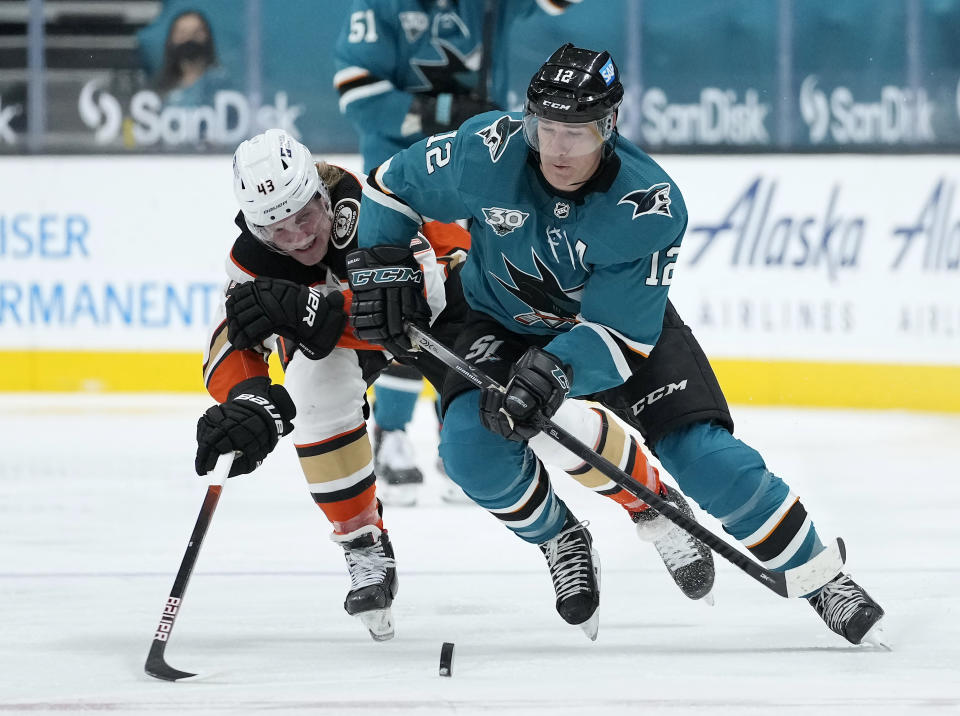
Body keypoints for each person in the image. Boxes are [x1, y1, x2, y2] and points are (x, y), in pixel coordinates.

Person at [346, 44, 886, 645]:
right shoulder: (486, 149)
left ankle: (821, 576)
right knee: (472, 452)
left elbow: (619, 338)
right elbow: (389, 187)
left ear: (609, 125)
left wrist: (553, 371)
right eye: (546, 127)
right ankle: (560, 538)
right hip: (496, 320)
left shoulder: (646, 204)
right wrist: (379, 262)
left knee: (705, 460)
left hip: (615, 332)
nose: (556, 148)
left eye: (576, 132)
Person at [193, 128, 468, 641]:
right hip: (356, 336)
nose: (297, 238)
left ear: (322, 194)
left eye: (305, 217)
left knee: (527, 410)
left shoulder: (372, 210)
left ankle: (635, 506)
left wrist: (312, 310)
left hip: (455, 312)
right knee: (312, 396)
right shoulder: (251, 258)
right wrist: (248, 397)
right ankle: (363, 544)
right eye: (277, 230)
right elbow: (226, 342)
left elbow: (421, 308)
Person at [334, 0, 584, 505]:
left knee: (482, 307)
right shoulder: (381, 6)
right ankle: (394, 432)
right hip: (404, 186)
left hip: (482, 173)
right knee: (412, 304)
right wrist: (443, 111)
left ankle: (459, 428)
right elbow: (357, 92)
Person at [154, 10, 232, 108]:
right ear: (171, 40)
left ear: (207, 37)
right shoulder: (160, 91)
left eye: (197, 32)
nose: (189, 38)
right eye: (182, 33)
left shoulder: (221, 84)